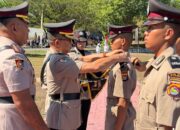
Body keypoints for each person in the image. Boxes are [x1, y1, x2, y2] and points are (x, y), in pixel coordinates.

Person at [41, 19, 128, 130]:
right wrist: (116, 57)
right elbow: (95, 66)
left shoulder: (61, 55)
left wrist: (108, 54)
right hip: (61, 115)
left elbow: (85, 58)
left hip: (67, 111)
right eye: (68, 39)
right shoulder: (58, 61)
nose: (71, 42)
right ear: (57, 42)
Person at [0, 2, 49, 130]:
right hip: (14, 122)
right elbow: (23, 102)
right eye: (26, 24)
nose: (28, 29)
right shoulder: (13, 57)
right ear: (14, 27)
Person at [135, 0, 180, 130]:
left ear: (168, 34)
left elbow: (167, 125)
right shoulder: (157, 64)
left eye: (151, 28)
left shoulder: (171, 71)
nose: (145, 32)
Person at [105, 24, 137, 130]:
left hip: (118, 117)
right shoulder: (121, 62)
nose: (110, 42)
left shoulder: (122, 67)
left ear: (122, 41)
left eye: (113, 39)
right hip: (117, 113)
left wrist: (117, 128)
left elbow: (122, 102)